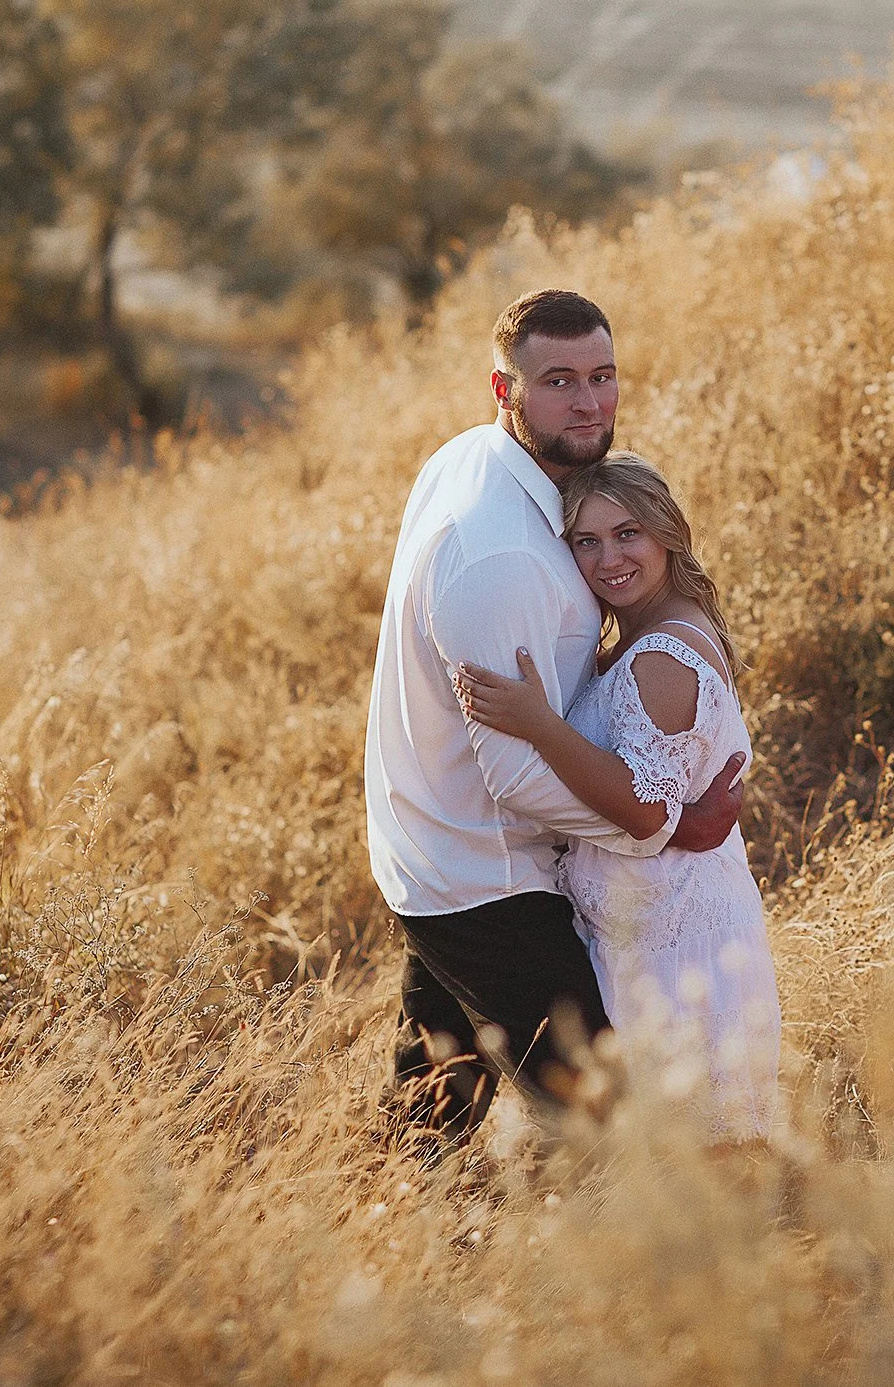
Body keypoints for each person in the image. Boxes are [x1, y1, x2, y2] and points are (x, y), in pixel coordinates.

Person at [364, 288, 745, 1150]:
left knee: (429, 1120)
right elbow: (518, 775)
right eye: (559, 381)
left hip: (436, 851)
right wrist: (665, 825)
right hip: (491, 880)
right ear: (505, 391)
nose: (588, 402)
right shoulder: (502, 555)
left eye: (602, 376)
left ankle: (380, 1218)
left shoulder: (473, 458)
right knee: (609, 1122)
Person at [454, 454, 782, 1139]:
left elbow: (644, 810)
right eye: (586, 541)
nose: (609, 559)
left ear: (666, 532)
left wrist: (538, 724)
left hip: (678, 943)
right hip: (653, 929)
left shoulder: (662, 656)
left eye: (627, 533)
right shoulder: (651, 631)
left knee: (696, 1152)